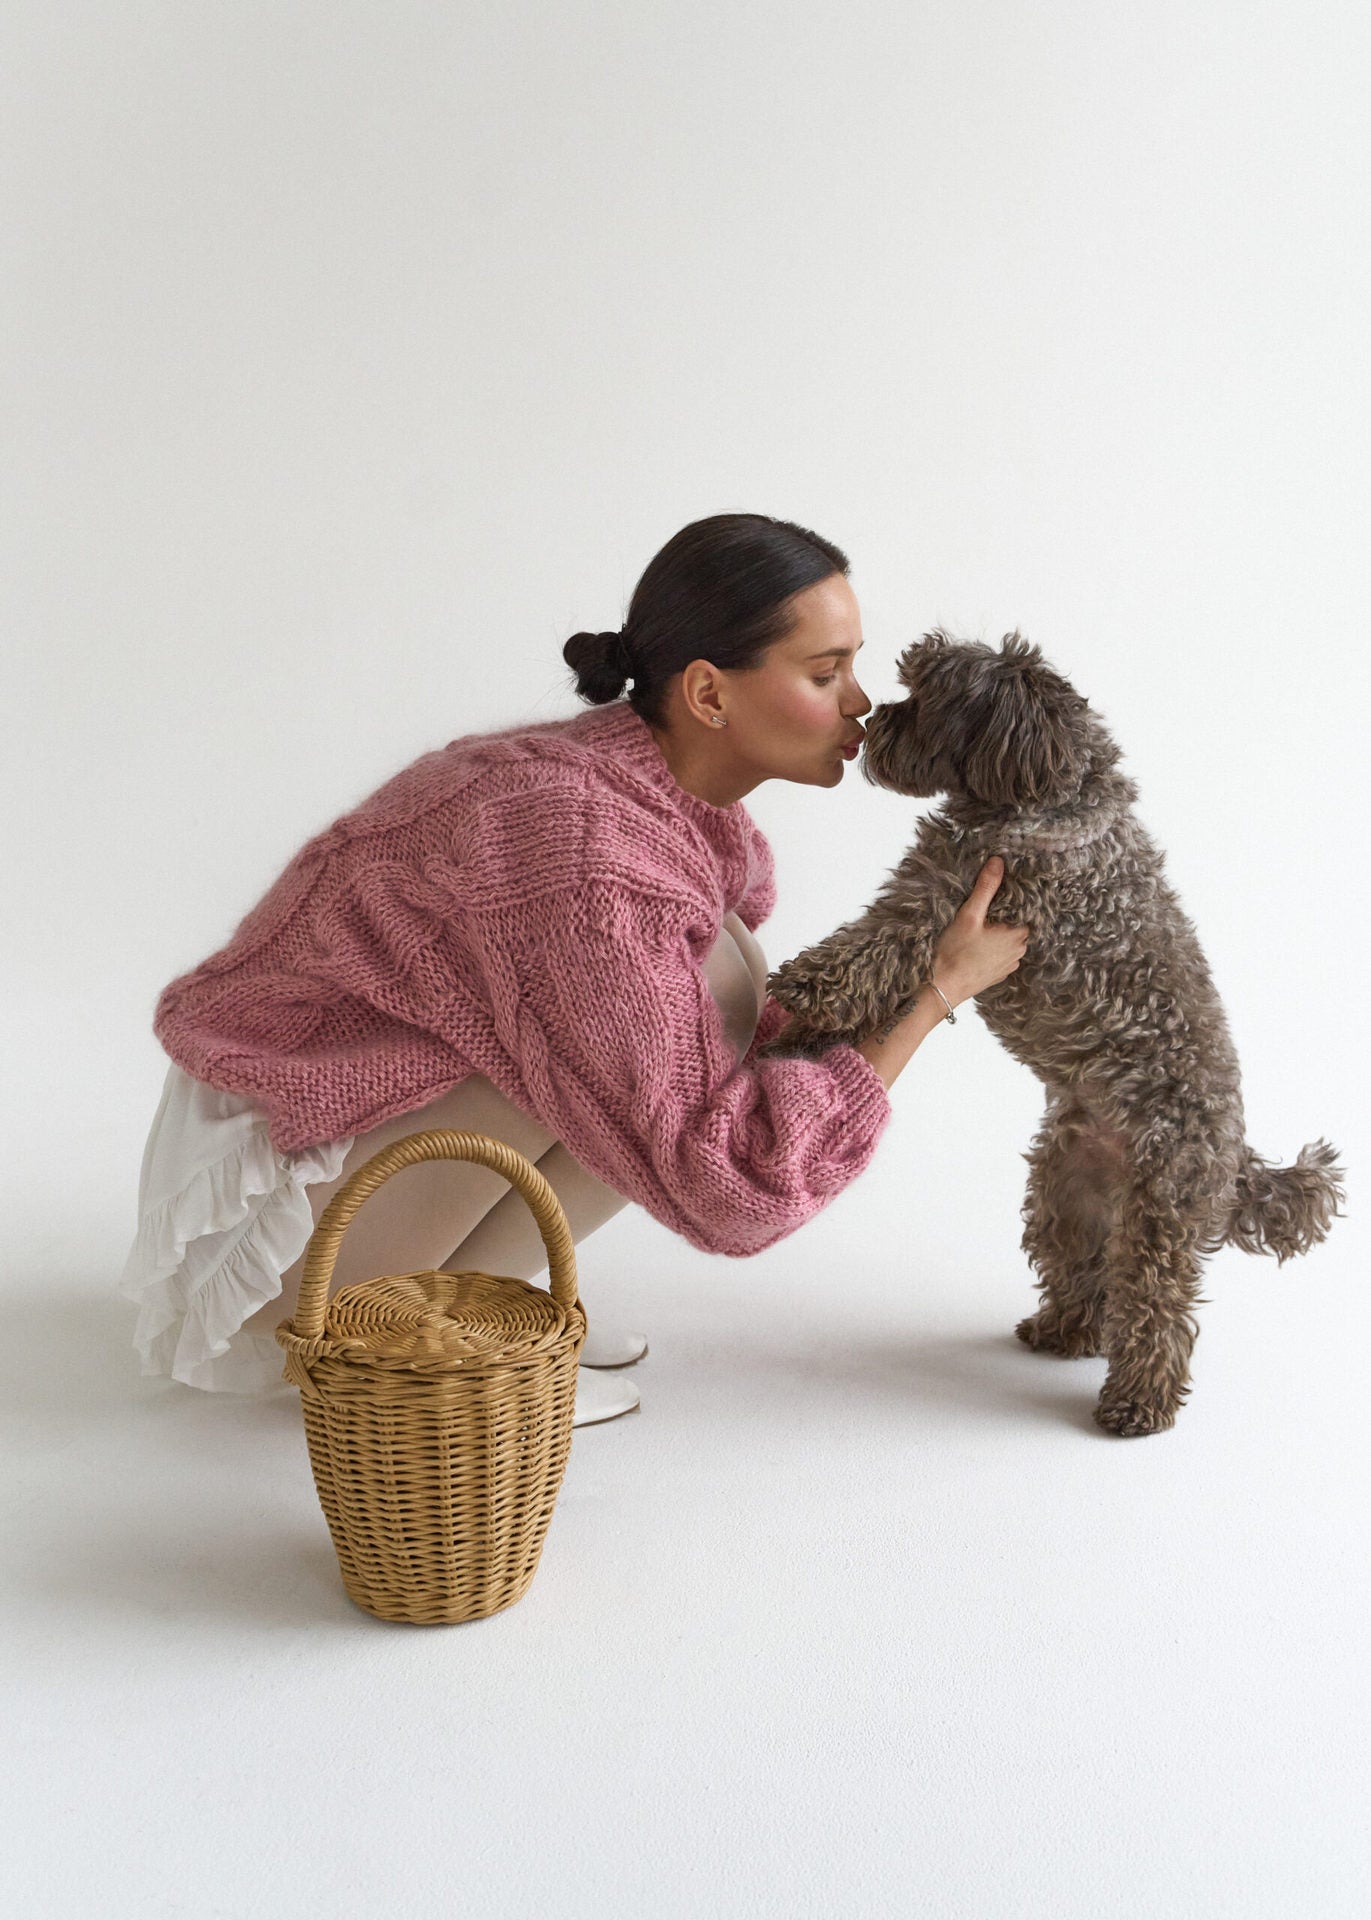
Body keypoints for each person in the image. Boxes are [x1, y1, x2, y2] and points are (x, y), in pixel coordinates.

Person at [119, 513, 1029, 1426]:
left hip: (349, 1132)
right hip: (279, 1227)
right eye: (825, 674)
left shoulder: (648, 796)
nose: (859, 703)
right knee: (653, 1030)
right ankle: (404, 1342)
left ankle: (479, 1303)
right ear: (708, 694)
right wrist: (935, 994)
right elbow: (731, 1191)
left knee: (710, 998)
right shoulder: (583, 853)